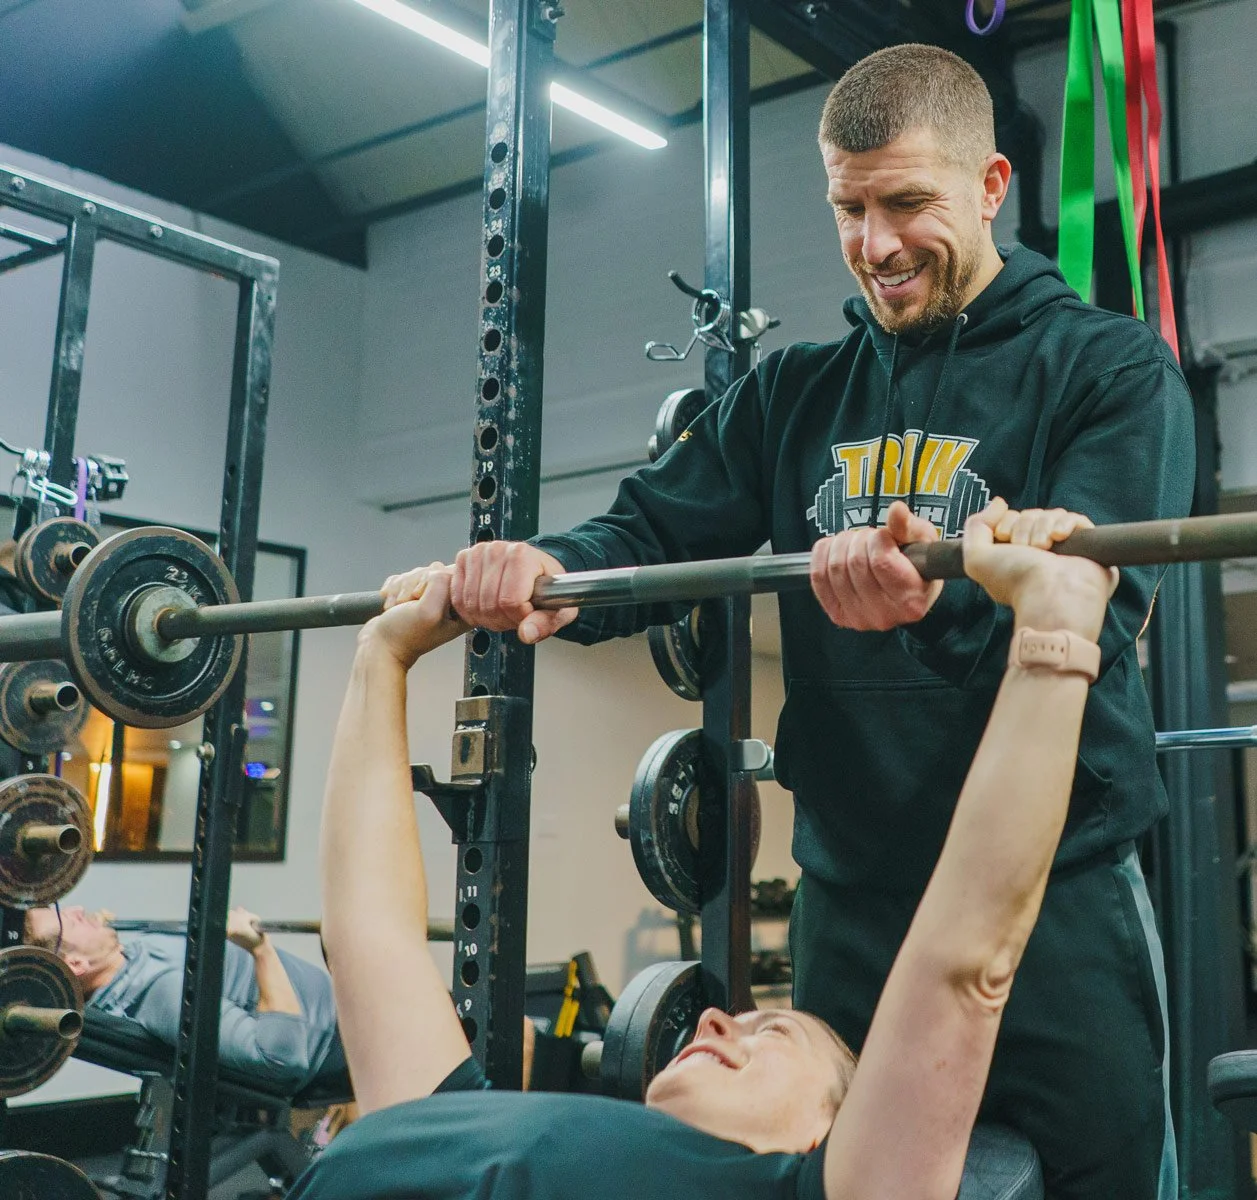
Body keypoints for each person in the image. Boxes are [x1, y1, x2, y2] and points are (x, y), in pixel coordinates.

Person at [448, 43, 1193, 1200]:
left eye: (907, 204)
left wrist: (936, 608)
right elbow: (651, 535)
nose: (875, 244)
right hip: (853, 902)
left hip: (1054, 902)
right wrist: (548, 574)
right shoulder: (795, 394)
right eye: (849, 207)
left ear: (993, 187)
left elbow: (1089, 613)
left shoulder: (1107, 370)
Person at [290, 500, 1113, 1200]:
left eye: (767, 1037)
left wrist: (1054, 632)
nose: (719, 1019)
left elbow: (964, 964)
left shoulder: (835, 1186)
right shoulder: (445, 1112)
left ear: (835, 1133)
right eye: (766, 1028)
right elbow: (369, 936)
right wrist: (381, 656)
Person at [25, 903, 345, 1094]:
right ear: (76, 965)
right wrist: (260, 950)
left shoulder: (130, 959)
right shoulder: (161, 993)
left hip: (345, 1007)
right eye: (70, 920)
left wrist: (101, 932)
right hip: (339, 1042)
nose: (80, 910)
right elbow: (282, 1058)